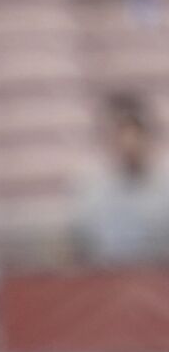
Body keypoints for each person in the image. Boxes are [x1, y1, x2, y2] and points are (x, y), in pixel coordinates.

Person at [71, 91, 169, 267]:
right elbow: (85, 248)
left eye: (136, 134)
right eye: (121, 135)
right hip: (110, 280)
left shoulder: (165, 186)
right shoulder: (91, 191)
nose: (129, 145)